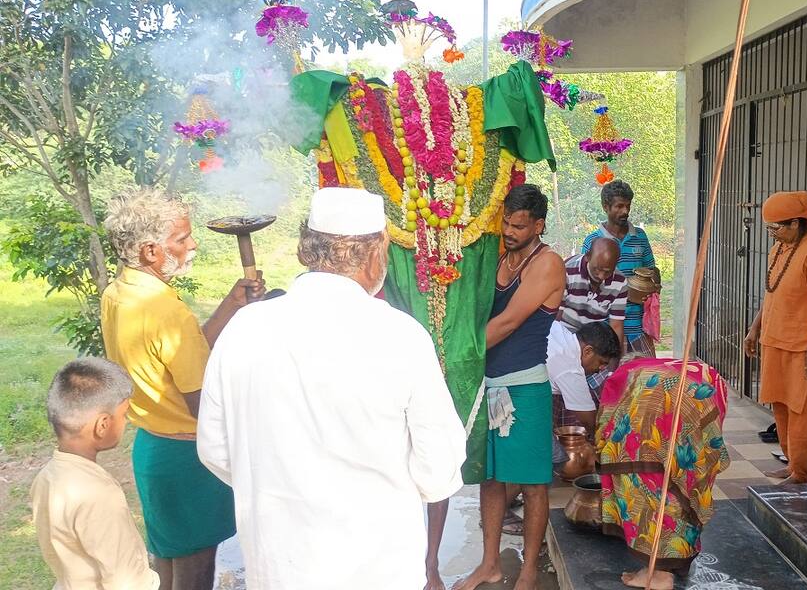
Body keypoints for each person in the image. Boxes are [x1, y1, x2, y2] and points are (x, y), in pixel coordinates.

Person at [196, 187, 466, 589]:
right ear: (377, 253)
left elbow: (215, 448)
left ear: (306, 250)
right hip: (378, 570)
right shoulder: (399, 335)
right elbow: (438, 470)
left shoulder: (244, 330)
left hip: (279, 567)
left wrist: (279, 484)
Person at [101, 189, 263, 590]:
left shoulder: (119, 293)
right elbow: (201, 404)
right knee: (194, 571)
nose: (192, 245)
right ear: (151, 251)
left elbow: (180, 353)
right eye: (182, 238)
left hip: (153, 449)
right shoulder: (165, 309)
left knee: (169, 563)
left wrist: (230, 305)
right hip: (188, 456)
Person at [456, 184, 565, 590]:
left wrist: (456, 355)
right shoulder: (500, 255)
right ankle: (490, 564)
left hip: (525, 389)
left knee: (534, 485)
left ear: (538, 225)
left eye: (519, 225)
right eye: (506, 222)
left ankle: (531, 569)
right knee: (491, 479)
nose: (509, 231)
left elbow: (506, 324)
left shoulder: (547, 264)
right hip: (489, 386)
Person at [596, 357, 731, 590]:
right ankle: (671, 561)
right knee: (680, 482)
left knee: (644, 479)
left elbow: (606, 430)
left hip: (669, 407)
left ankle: (659, 574)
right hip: (703, 392)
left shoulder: (620, 381)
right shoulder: (641, 370)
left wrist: (602, 446)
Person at [31, 358, 160, 590]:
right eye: (124, 415)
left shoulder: (47, 477)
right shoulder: (99, 493)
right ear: (102, 425)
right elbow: (126, 580)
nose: (126, 422)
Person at [742, 191, 807, 484]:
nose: (772, 234)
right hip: (776, 341)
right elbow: (772, 294)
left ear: (796, 223)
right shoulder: (780, 251)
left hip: (803, 347)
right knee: (780, 406)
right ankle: (791, 462)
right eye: (768, 228)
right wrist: (755, 328)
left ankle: (802, 471)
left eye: (776, 228)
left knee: (802, 412)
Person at [582, 180, 659, 356]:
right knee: (612, 377)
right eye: (619, 206)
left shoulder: (640, 236)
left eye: (628, 206)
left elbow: (653, 271)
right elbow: (585, 283)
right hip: (606, 327)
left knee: (646, 377)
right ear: (605, 207)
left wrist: (650, 288)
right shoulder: (592, 241)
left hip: (638, 326)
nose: (625, 211)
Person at [549, 320, 623, 437]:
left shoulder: (557, 329)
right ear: (588, 351)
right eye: (601, 362)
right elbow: (589, 422)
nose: (601, 369)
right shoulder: (571, 369)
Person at [559, 237, 628, 346]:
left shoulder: (620, 282)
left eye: (607, 272)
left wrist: (615, 359)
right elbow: (555, 317)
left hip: (593, 342)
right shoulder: (566, 271)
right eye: (597, 269)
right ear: (588, 257)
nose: (601, 276)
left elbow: (616, 325)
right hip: (563, 336)